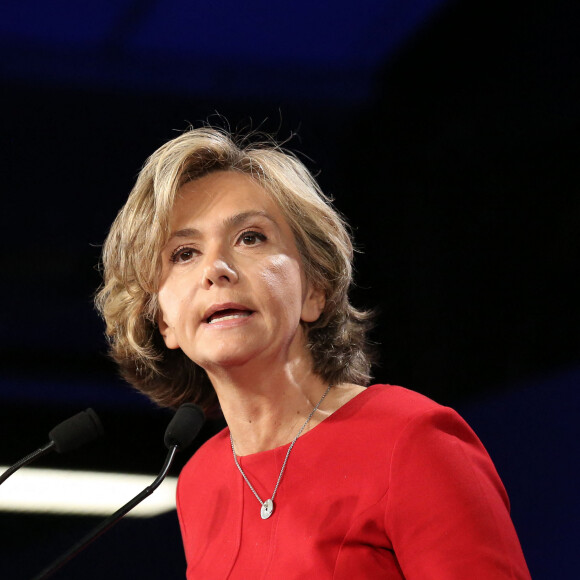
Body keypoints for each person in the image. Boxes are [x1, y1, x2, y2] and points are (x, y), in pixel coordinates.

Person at [96, 126, 531, 578]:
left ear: (314, 289)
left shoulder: (410, 439)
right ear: (163, 321)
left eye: (251, 238)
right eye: (184, 253)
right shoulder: (201, 484)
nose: (216, 269)